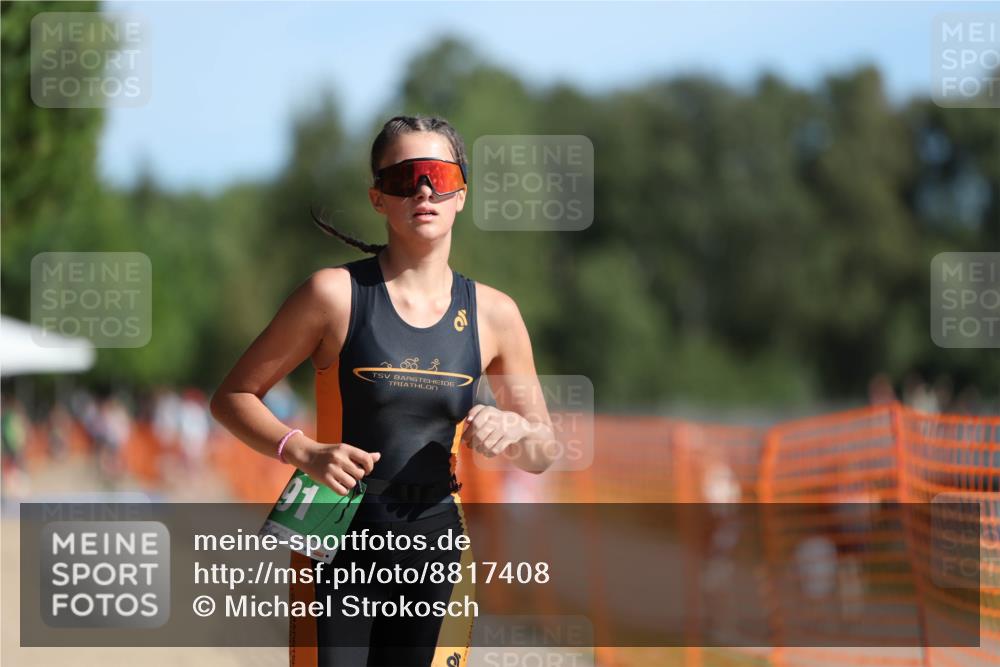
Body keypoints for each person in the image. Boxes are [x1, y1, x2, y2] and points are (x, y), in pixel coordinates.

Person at [210, 114, 556, 667]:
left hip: (435, 543)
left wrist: (516, 428)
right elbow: (232, 397)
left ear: (462, 194)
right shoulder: (333, 294)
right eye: (403, 178)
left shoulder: (495, 314)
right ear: (378, 198)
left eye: (440, 176)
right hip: (336, 534)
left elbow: (543, 452)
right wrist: (303, 451)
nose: (424, 190)